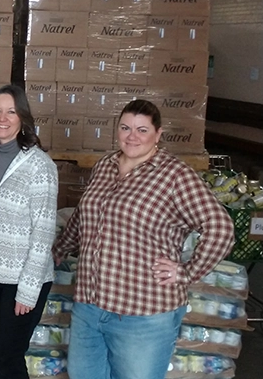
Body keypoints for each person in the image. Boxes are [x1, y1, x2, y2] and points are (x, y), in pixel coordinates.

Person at [53, 99, 234, 379]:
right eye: (125, 128)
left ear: (158, 134)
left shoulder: (175, 176)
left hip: (142, 312)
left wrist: (186, 272)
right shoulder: (105, 166)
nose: (132, 136)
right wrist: (60, 249)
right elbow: (84, 216)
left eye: (142, 130)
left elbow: (220, 228)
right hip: (89, 306)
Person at [0, 84, 57, 379]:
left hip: (21, 279)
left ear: (23, 118)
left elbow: (44, 233)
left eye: (11, 111)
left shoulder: (39, 166)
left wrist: (28, 291)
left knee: (8, 357)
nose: (3, 118)